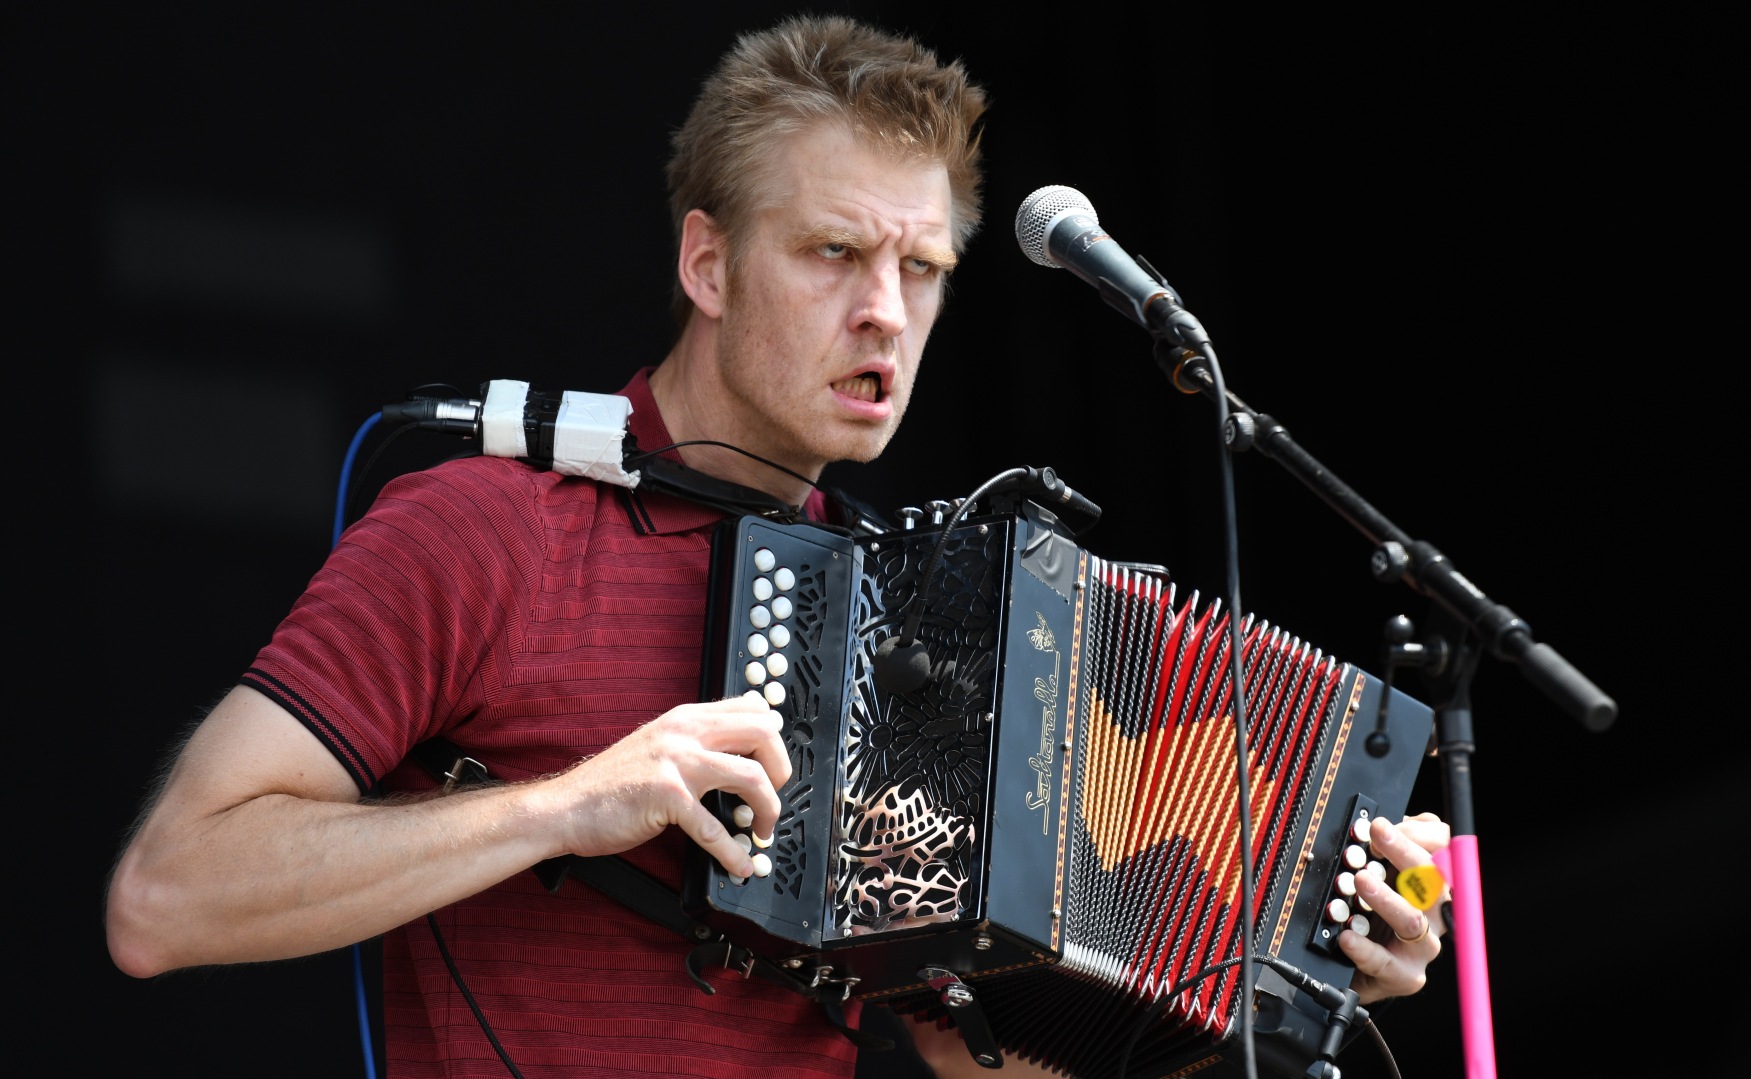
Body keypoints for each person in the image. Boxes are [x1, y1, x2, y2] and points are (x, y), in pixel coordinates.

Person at [104, 14, 1448, 1078]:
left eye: (919, 271)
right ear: (708, 264)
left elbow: (963, 1059)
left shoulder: (927, 621)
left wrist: (1277, 973)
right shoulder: (485, 532)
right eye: (831, 253)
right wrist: (569, 804)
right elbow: (167, 896)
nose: (883, 314)